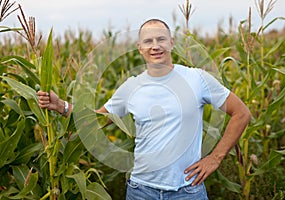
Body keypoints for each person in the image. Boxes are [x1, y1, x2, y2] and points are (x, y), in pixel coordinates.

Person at [38, 19, 251, 199]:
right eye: (148, 41)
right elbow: (97, 120)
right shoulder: (131, 87)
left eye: (161, 39)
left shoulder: (197, 79)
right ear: (140, 47)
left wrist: (215, 158)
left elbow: (241, 113)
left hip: (187, 191)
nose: (155, 46)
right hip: (141, 190)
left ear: (172, 43)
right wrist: (60, 105)